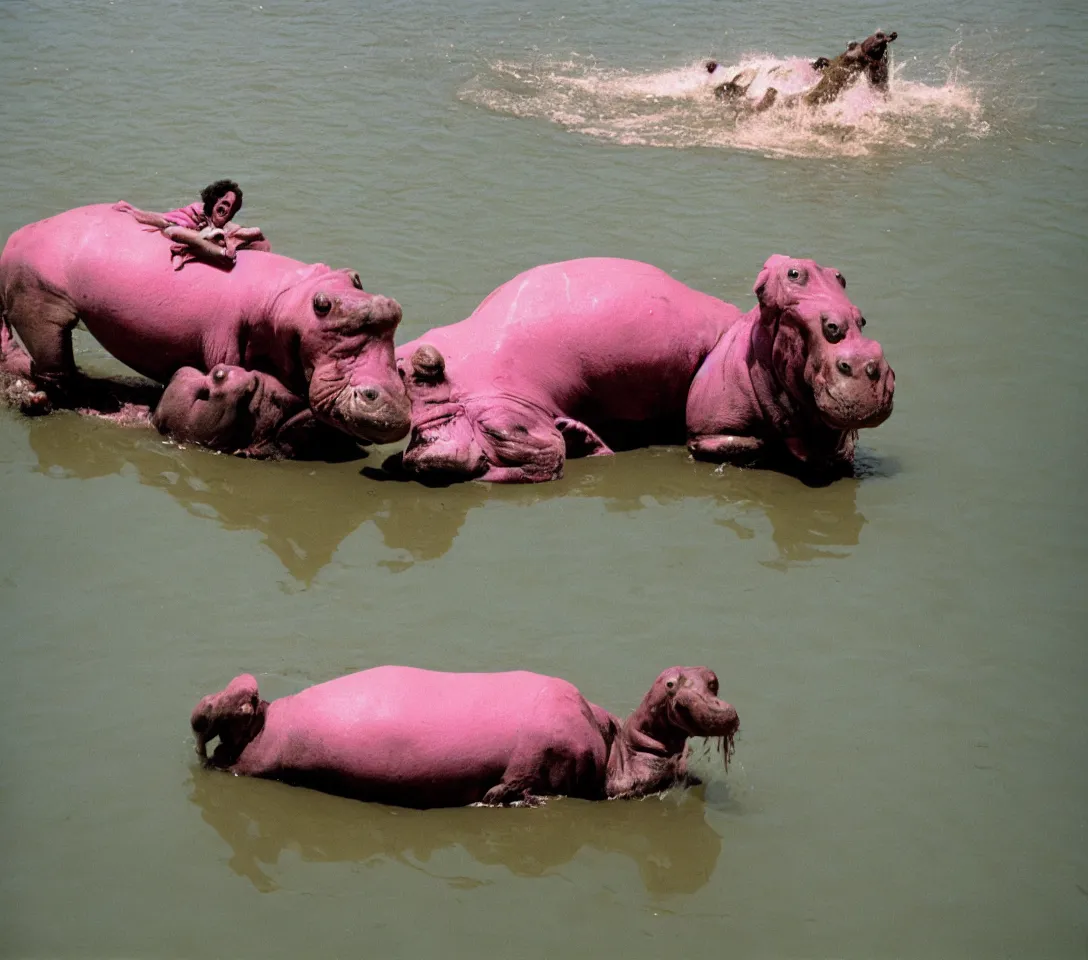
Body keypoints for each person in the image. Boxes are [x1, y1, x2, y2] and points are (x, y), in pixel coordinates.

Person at [113, 179, 270, 270]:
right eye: (224, 202)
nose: (227, 207)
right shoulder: (196, 212)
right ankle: (216, 248)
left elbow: (262, 245)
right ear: (213, 199)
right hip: (206, 239)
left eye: (231, 207)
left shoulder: (227, 226)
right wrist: (133, 212)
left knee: (175, 231)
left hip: (220, 242)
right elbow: (166, 220)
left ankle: (220, 249)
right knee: (172, 230)